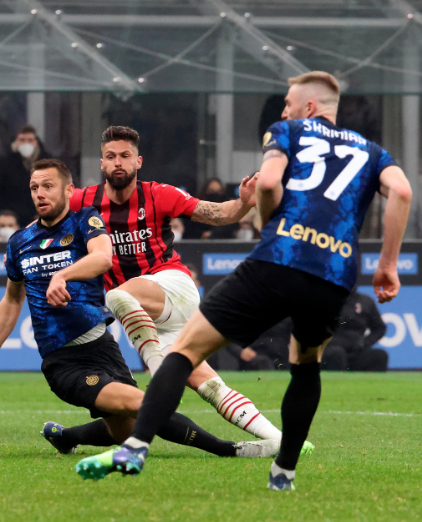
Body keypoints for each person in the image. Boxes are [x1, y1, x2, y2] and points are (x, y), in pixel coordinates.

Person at [76, 71, 412, 491]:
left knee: (183, 354)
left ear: (308, 108)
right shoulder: (372, 151)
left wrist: (267, 222)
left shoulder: (286, 131)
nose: (283, 109)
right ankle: (283, 470)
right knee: (304, 366)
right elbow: (401, 192)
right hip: (335, 269)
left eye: (288, 102)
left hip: (272, 257)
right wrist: (388, 265)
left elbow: (269, 182)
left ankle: (137, 445)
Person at [0, 159, 276, 459]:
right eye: (34, 188)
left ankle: (66, 436)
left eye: (48, 186)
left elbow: (102, 258)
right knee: (149, 405)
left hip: (103, 347)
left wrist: (63, 275)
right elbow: (12, 300)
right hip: (65, 362)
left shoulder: (86, 221)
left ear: (69, 191)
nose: (40, 194)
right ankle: (229, 449)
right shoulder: (20, 242)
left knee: (125, 432)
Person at [61, 126, 288, 449]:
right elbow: (48, 221)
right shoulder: (84, 201)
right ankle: (281, 439)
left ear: (138, 161)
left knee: (116, 295)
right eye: (111, 157)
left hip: (172, 286)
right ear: (102, 164)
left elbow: (216, 213)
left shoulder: (159, 194)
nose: (118, 163)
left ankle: (159, 376)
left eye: (125, 156)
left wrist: (243, 203)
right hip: (145, 314)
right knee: (208, 385)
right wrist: (20, 243)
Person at [0, 124, 50, 228]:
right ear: (15, 143)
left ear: (36, 143)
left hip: (38, 218)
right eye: (22, 140)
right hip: (9, 219)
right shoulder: (4, 163)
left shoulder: (49, 164)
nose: (26, 144)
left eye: (30, 140)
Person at [322, 292, 388, 372]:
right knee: (337, 354)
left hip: (356, 350)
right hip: (330, 349)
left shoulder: (365, 301)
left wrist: (365, 342)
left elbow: (379, 328)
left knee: (380, 356)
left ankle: (370, 384)